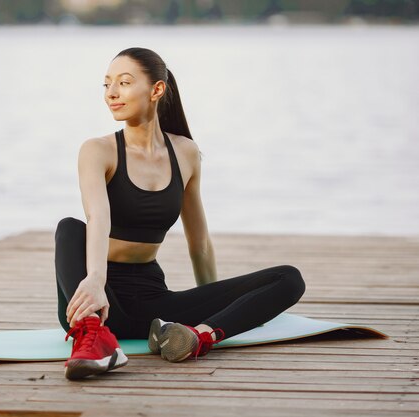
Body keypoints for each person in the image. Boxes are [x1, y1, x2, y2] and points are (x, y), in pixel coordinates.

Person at [55, 47, 306, 380]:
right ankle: (94, 340)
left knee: (288, 278)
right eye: (106, 84)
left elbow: (199, 243)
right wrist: (96, 282)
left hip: (152, 303)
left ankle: (199, 336)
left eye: (124, 82)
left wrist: (220, 306)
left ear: (156, 90)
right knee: (70, 228)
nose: (111, 93)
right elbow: (98, 218)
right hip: (96, 297)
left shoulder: (186, 153)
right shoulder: (98, 150)